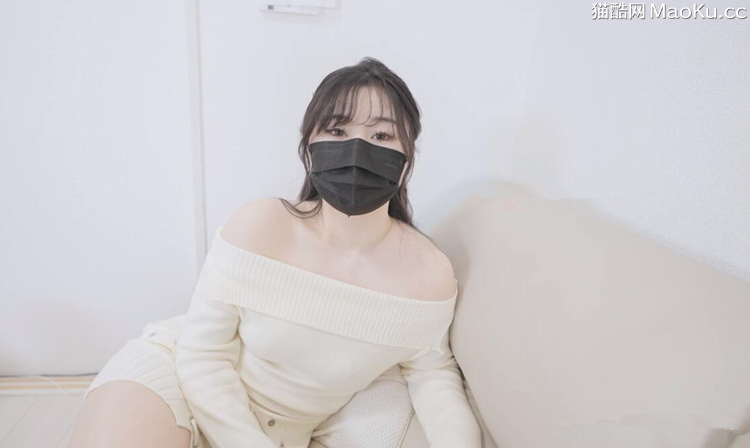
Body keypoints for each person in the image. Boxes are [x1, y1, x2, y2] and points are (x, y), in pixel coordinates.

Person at [68, 57, 483, 448]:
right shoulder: (260, 225)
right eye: (337, 131)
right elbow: (201, 354)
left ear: (407, 156)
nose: (358, 149)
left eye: (381, 135)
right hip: (177, 381)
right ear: (309, 146)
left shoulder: (427, 272)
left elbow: (433, 375)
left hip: (284, 432)